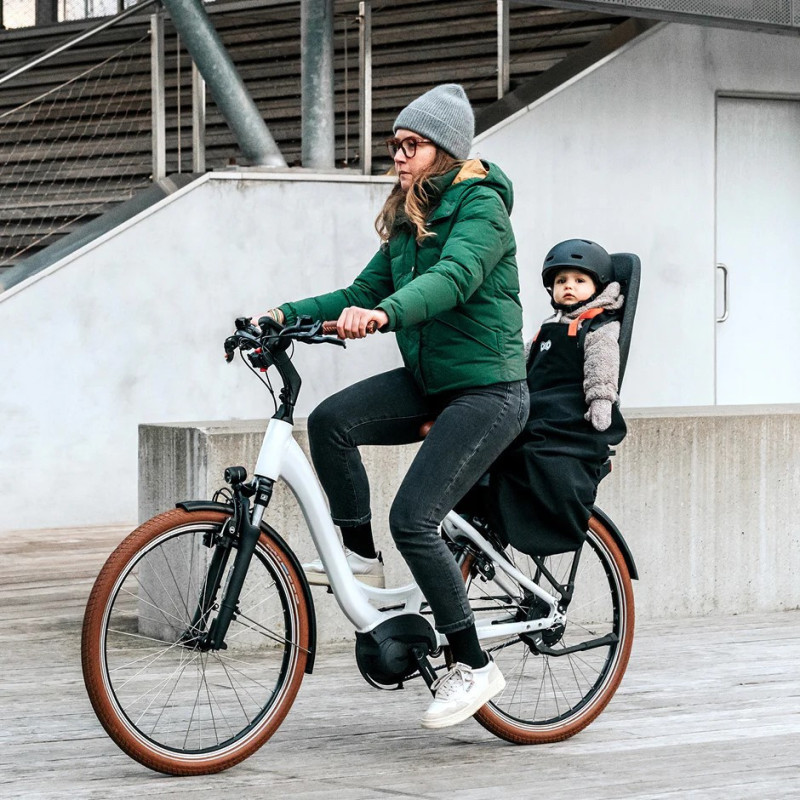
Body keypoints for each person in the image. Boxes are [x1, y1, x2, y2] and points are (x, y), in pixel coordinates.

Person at [260, 84, 528, 729]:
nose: (399, 158)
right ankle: (358, 555)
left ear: (446, 150)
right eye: (396, 146)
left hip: (489, 389)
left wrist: (384, 315)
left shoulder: (483, 207)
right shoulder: (412, 217)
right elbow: (361, 287)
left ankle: (473, 665)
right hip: (433, 380)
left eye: (412, 146)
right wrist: (282, 315)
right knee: (330, 421)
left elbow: (454, 279)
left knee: (415, 517)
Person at [482, 238, 627, 557]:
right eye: (561, 281)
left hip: (568, 417)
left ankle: (522, 525)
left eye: (579, 280)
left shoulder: (598, 327)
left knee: (536, 455)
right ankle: (489, 520)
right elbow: (522, 359)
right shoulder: (548, 329)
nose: (569, 287)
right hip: (538, 409)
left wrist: (601, 399)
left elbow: (602, 363)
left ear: (598, 286)